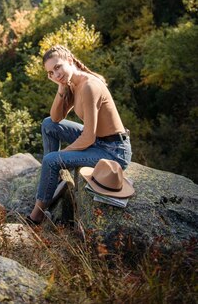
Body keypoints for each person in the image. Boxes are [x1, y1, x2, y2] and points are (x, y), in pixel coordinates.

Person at [27, 44, 132, 224]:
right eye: (51, 72)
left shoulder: (89, 86)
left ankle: (36, 217)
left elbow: (88, 137)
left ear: (69, 60)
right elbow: (55, 118)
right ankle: (53, 179)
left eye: (58, 67)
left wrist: (60, 157)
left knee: (52, 160)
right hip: (97, 142)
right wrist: (60, 87)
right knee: (47, 125)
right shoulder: (72, 84)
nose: (56, 74)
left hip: (113, 151)